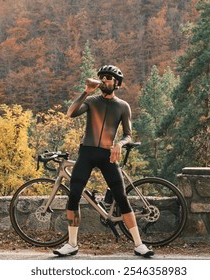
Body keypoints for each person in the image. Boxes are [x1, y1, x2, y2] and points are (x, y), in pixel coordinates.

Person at [53, 65, 154, 258]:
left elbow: (128, 135)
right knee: (74, 194)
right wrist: (86, 92)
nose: (104, 80)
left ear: (117, 83)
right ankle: (72, 244)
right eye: (101, 77)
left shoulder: (123, 106)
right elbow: (70, 113)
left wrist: (119, 145)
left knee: (122, 197)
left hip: (108, 154)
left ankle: (139, 244)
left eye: (108, 78)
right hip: (87, 152)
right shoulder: (91, 101)